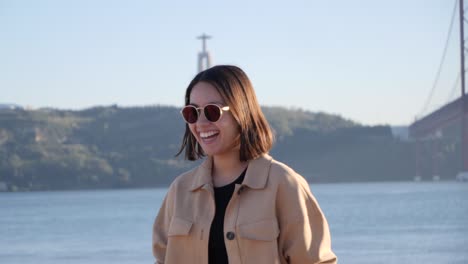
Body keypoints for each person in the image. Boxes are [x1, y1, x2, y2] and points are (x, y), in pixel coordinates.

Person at [152, 65, 337, 264]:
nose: (201, 122)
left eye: (213, 111)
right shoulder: (180, 191)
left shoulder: (284, 184)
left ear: (242, 111)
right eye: (192, 113)